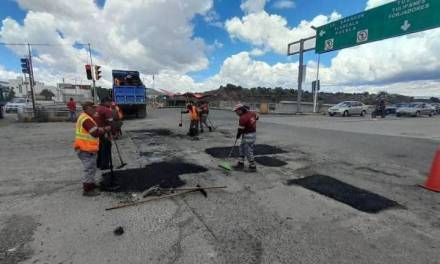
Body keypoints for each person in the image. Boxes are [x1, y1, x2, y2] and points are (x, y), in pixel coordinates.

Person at [73, 101, 111, 196]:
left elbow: (95, 129)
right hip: (85, 148)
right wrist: (106, 129)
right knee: (89, 168)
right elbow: (95, 132)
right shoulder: (86, 119)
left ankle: (91, 184)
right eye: (93, 108)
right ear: (88, 108)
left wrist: (102, 129)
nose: (95, 110)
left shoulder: (86, 117)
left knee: (92, 168)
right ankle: (88, 189)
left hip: (87, 148)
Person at [233, 104, 259, 172]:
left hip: (249, 135)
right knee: (241, 147)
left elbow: (240, 130)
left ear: (241, 110)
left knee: (248, 150)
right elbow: (257, 117)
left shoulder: (243, 118)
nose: (236, 113)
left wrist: (238, 136)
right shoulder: (252, 113)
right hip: (250, 133)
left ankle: (252, 166)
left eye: (236, 111)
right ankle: (241, 163)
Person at [95, 97, 114, 170]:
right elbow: (111, 122)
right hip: (105, 131)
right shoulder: (106, 110)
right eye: (110, 102)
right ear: (105, 102)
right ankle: (105, 165)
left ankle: (98, 163)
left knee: (99, 148)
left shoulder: (97, 109)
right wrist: (113, 132)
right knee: (106, 147)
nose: (110, 104)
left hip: (97, 131)